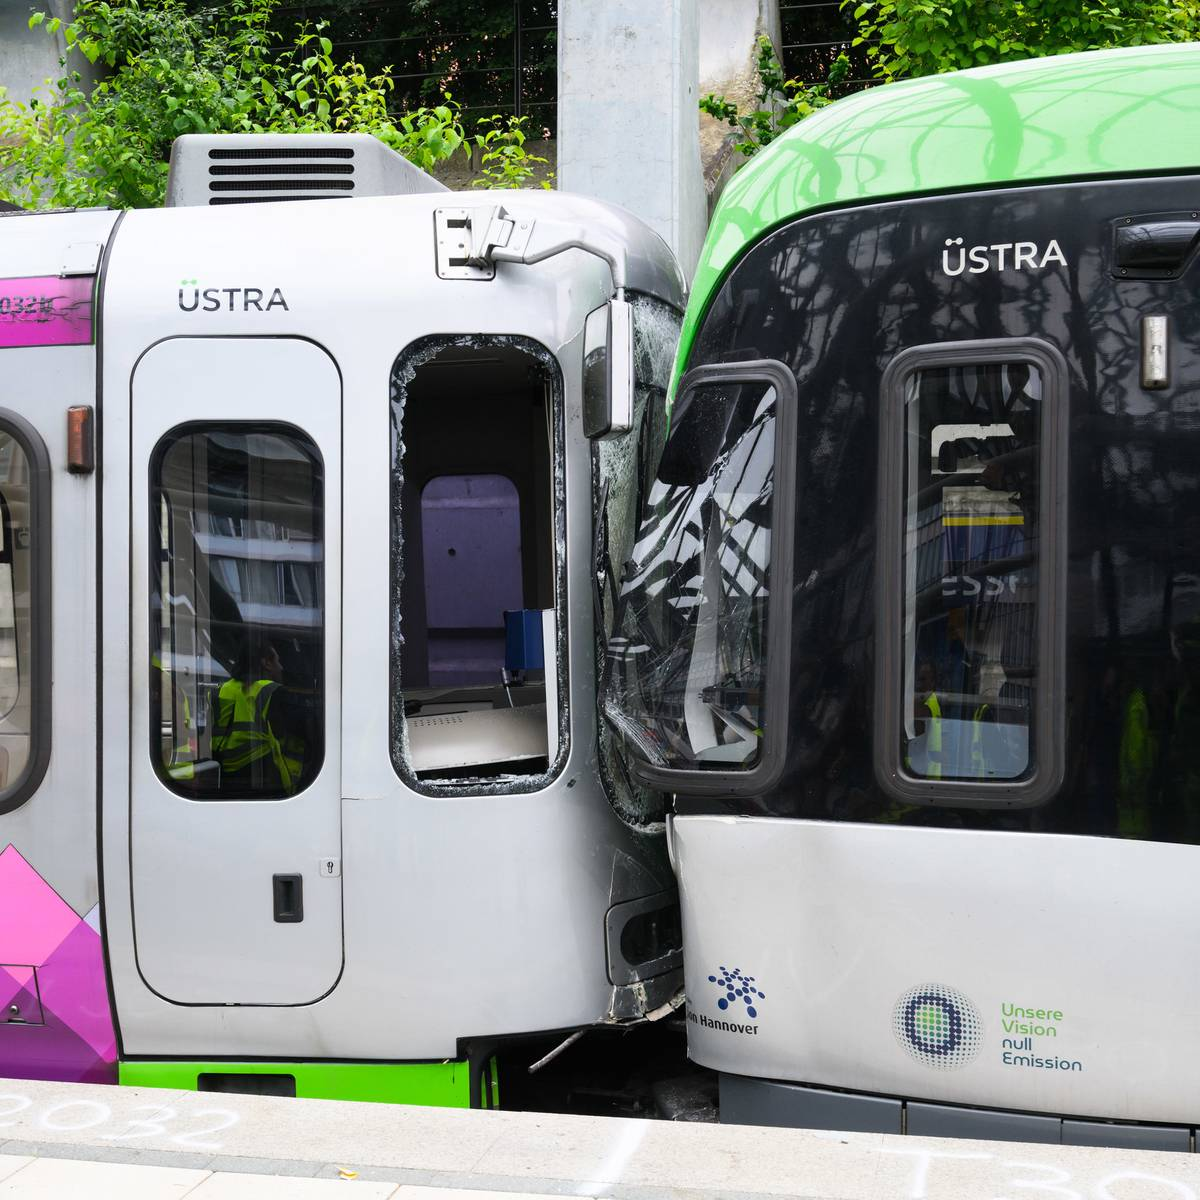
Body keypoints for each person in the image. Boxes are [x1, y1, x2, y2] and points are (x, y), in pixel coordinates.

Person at [211, 634, 301, 794]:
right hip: (259, 772)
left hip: (224, 774)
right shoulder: (269, 690)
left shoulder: (220, 690)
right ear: (266, 663)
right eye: (277, 661)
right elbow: (283, 734)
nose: (281, 667)